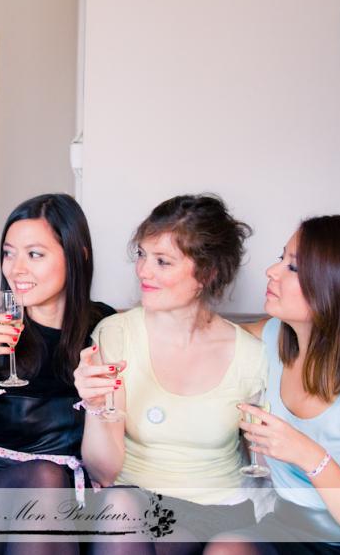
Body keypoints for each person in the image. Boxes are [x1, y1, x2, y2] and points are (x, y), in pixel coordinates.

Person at [205, 215, 340, 555]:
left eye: (293, 267)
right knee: (227, 548)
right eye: (281, 258)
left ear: (334, 288)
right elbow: (205, 335)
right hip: (291, 527)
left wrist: (309, 456)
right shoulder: (273, 338)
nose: (271, 271)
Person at [73, 194, 266, 555]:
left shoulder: (252, 356)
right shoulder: (115, 334)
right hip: (136, 506)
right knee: (120, 507)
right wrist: (96, 407)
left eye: (162, 261)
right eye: (142, 255)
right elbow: (102, 473)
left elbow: (268, 465)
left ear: (206, 274)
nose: (143, 271)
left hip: (221, 510)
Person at [0, 193, 116, 555]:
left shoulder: (103, 330)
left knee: (55, 488)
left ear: (77, 256)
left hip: (72, 506)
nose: (15, 268)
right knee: (44, 478)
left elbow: (106, 468)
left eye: (34, 254)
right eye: (8, 252)